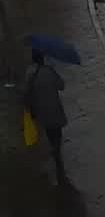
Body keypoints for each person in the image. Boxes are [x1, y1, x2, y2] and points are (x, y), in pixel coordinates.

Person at [18, 49, 69, 186]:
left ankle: (54, 149)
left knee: (49, 130)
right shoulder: (49, 70)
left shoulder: (30, 73)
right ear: (42, 59)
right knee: (57, 131)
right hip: (55, 108)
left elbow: (25, 91)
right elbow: (62, 85)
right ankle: (57, 152)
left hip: (42, 110)